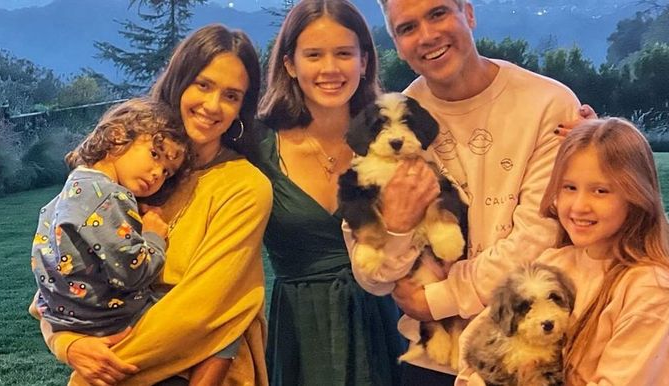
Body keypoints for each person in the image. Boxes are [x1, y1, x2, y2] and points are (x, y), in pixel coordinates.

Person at [343, 0, 586, 383]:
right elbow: (369, 272)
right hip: (432, 361)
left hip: (525, 349)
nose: (427, 36)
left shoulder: (547, 105)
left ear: (468, 13)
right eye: (407, 28)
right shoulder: (396, 120)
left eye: (438, 13)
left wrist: (437, 300)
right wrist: (397, 226)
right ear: (396, 43)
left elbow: (537, 235)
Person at [32, 24, 272, 386]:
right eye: (203, 85)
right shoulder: (135, 177)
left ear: (242, 108)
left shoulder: (245, 187)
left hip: (202, 372)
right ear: (179, 81)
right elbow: (59, 274)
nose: (212, 105)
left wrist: (97, 371)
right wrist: (66, 343)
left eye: (231, 95)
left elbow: (202, 313)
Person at [457, 117, 669, 385]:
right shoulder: (554, 262)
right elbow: (472, 348)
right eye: (569, 187)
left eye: (600, 191)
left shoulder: (650, 288)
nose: (579, 206)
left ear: (637, 196)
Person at [253, 1, 404, 385]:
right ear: (289, 64)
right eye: (314, 55)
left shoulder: (393, 140)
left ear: (365, 61)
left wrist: (574, 129)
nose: (331, 69)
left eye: (343, 53)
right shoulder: (257, 147)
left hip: (387, 324)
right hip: (301, 335)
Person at [31, 96, 187, 337]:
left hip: (66, 316)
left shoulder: (74, 187)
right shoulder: (109, 197)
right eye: (155, 154)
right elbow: (132, 273)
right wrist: (154, 237)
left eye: (167, 172)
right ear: (116, 137)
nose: (158, 174)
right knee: (207, 320)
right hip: (110, 319)